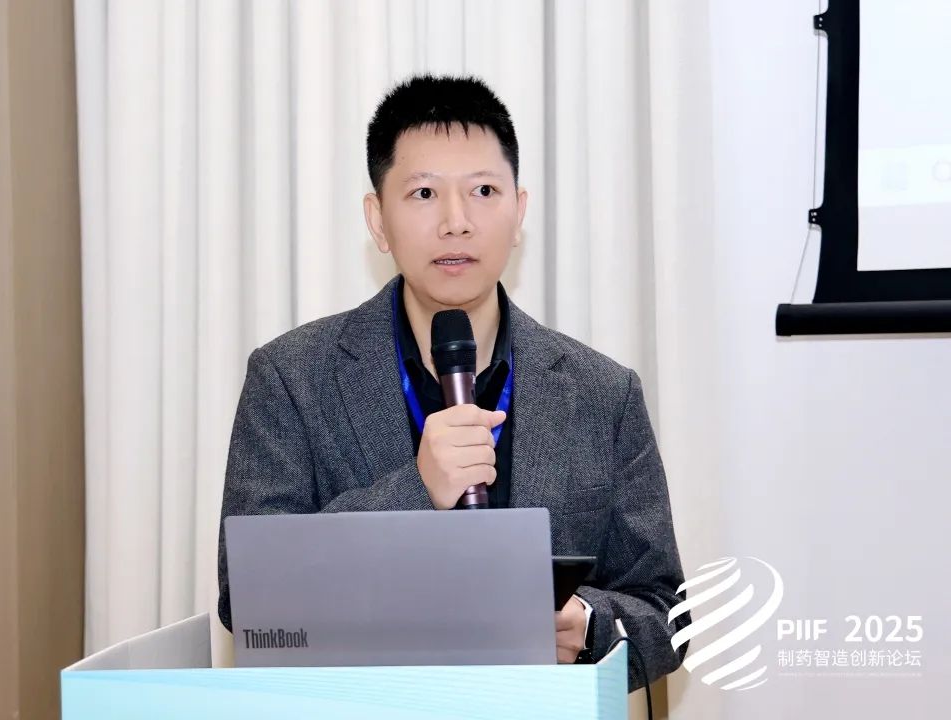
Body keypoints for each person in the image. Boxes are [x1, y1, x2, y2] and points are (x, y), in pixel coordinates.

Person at [217, 74, 688, 688]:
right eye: (423, 194)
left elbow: (668, 616)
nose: (456, 222)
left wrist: (588, 626)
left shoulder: (603, 394)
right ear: (377, 220)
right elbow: (247, 599)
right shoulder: (290, 378)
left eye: (483, 191)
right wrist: (415, 489)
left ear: (518, 212)